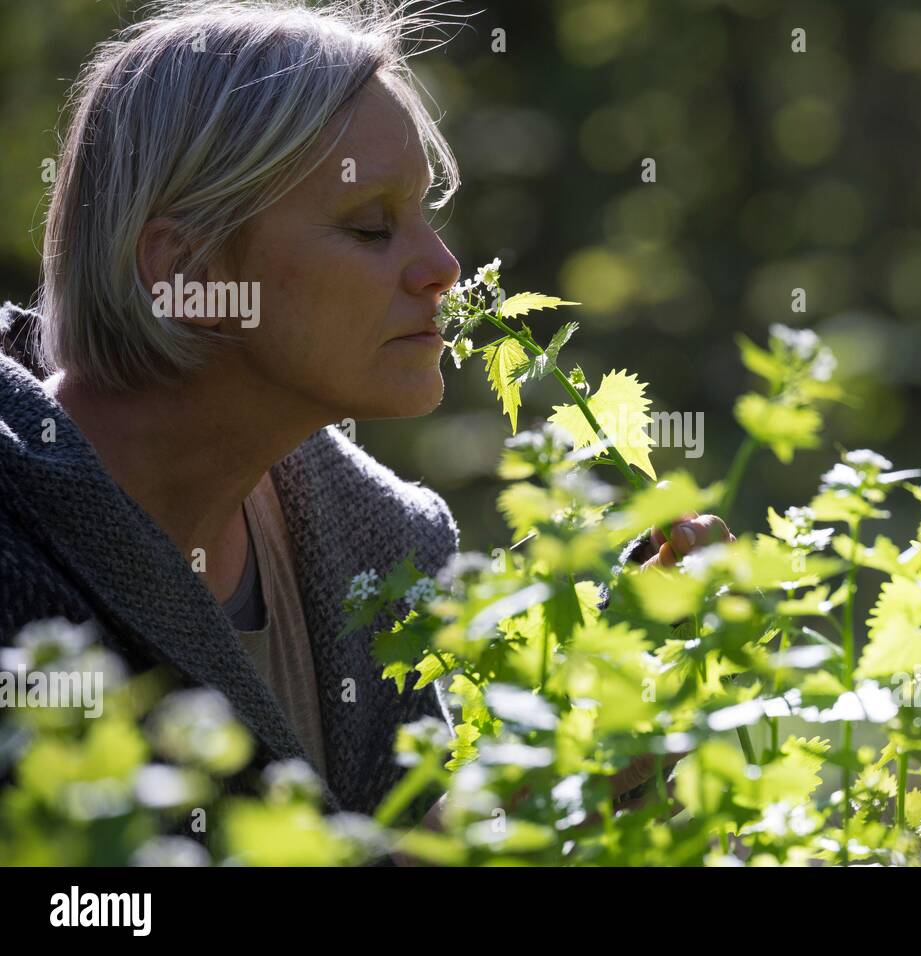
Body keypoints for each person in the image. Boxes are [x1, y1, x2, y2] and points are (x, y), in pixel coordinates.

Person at [0, 1, 731, 828]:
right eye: (371, 227)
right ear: (188, 270)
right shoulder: (17, 570)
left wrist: (576, 763)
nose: (443, 269)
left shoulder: (385, 552)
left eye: (426, 215)